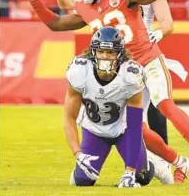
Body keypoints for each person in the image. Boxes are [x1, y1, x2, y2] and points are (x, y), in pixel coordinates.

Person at [14, 0, 189, 177]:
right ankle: (180, 162)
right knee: (135, 129)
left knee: (164, 103)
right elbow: (56, 23)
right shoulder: (90, 9)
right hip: (125, 70)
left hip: (147, 57)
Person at [65, 26, 154, 187]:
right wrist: (78, 154)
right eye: (101, 52)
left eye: (111, 52)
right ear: (93, 52)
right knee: (83, 181)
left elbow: (134, 126)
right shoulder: (79, 71)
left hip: (123, 130)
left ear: (120, 54)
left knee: (142, 176)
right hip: (94, 130)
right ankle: (80, 170)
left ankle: (155, 163)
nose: (105, 57)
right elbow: (69, 117)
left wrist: (130, 171)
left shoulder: (130, 75)